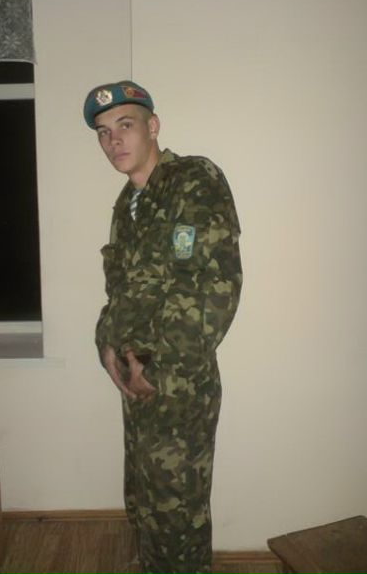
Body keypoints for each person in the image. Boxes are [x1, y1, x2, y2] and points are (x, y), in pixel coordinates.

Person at [83, 80, 243, 574]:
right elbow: (122, 293)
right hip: (135, 379)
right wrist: (107, 345)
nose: (114, 140)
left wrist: (158, 369)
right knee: (144, 500)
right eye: (103, 132)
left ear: (152, 126)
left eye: (124, 125)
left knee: (177, 513)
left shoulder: (192, 180)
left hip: (177, 382)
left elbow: (214, 289)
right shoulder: (126, 205)